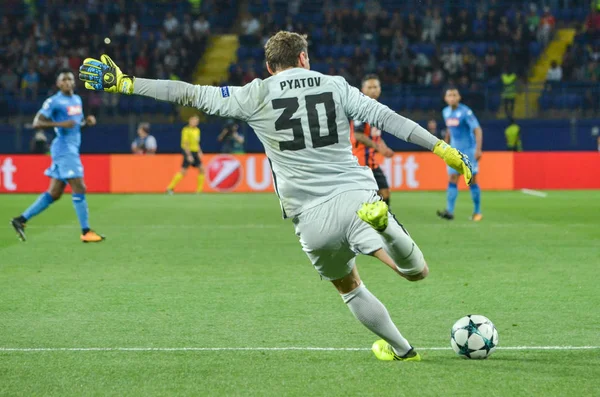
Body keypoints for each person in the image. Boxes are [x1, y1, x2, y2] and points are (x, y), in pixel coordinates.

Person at [78, 31, 472, 362]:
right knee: (415, 272)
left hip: (309, 218)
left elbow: (188, 93)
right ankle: (385, 227)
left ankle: (403, 351)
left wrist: (127, 82)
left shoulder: (256, 93)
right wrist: (440, 148)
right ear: (304, 58)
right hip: (355, 197)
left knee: (348, 286)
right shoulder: (334, 84)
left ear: (269, 67)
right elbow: (387, 118)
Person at [10, 69, 104, 243]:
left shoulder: (77, 100)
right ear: (58, 84)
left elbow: (75, 126)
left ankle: (20, 220)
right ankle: (86, 231)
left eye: (70, 79)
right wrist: (61, 124)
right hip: (64, 149)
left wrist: (86, 123)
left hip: (72, 148)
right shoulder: (54, 101)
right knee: (80, 187)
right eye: (64, 80)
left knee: (54, 193)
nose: (68, 82)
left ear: (74, 82)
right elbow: (37, 123)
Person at [437, 88, 483, 221]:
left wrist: (478, 149)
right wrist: (445, 145)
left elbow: (477, 130)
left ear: (459, 97)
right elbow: (449, 130)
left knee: (472, 180)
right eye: (449, 95)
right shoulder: (445, 112)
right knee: (452, 178)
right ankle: (449, 211)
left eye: (454, 95)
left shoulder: (466, 112)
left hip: (468, 151)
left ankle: (477, 211)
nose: (452, 97)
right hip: (454, 151)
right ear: (445, 98)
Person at [350, 74, 394, 206]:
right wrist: (378, 147)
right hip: (360, 161)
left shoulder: (376, 109)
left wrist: (384, 147)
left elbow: (375, 135)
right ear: (363, 89)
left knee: (384, 193)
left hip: (371, 161)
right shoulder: (360, 109)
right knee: (367, 198)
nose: (373, 90)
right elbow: (358, 135)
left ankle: (380, 223)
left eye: (375, 87)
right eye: (369, 87)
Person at [166, 115, 205, 194]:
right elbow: (185, 143)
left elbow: (197, 142)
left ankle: (199, 190)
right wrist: (189, 155)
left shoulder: (197, 130)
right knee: (183, 171)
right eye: (194, 121)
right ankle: (170, 188)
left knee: (202, 169)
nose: (196, 122)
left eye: (197, 121)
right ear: (190, 121)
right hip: (188, 152)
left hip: (195, 152)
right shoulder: (186, 130)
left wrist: (199, 151)